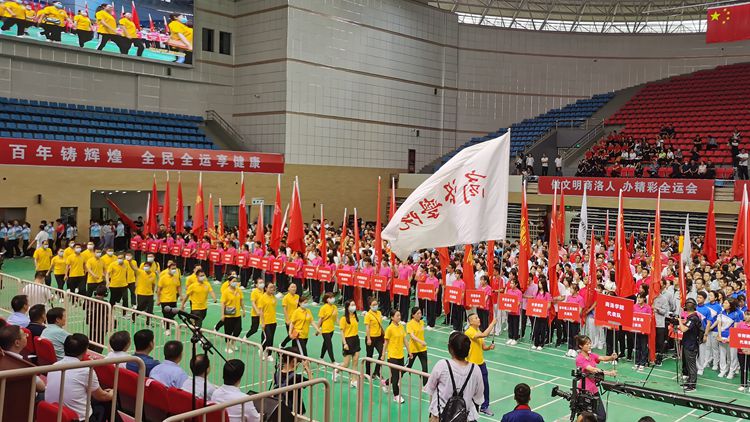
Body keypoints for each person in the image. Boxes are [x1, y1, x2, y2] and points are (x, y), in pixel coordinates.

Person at [44, 334, 114, 422]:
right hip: (78, 419)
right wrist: (113, 393)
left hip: (54, 415)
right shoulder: (85, 370)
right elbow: (102, 397)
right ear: (85, 350)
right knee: (108, 401)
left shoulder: (54, 366)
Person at [424, 332, 484, 422]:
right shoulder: (475, 369)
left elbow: (430, 388)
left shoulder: (442, 365)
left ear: (450, 348)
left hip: (439, 416)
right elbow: (478, 397)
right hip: (465, 418)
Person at [575, 335, 617, 421]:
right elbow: (593, 369)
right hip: (584, 391)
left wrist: (611, 357)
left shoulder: (591, 355)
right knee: (584, 416)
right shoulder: (579, 359)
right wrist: (609, 373)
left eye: (590, 343)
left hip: (594, 390)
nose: (590, 345)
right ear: (581, 346)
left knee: (602, 417)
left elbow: (602, 358)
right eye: (587, 344)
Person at [465, 312, 497, 416]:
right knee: (471, 386)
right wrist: (492, 324)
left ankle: (484, 406)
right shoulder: (469, 332)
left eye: (478, 317)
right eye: (476, 318)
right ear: (471, 322)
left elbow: (483, 347)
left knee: (485, 386)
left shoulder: (478, 330)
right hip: (472, 364)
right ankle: (467, 405)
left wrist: (489, 347)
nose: (478, 319)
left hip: (481, 363)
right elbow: (485, 334)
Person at [273, 346, 313, 415]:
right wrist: (308, 369)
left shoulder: (277, 374)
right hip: (296, 409)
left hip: (282, 407)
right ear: (294, 361)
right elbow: (311, 382)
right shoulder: (296, 377)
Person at [382, 309, 408, 403]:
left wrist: (409, 351)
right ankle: (396, 396)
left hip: (401, 355)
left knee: (399, 375)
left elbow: (405, 340)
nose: (399, 317)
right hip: (392, 356)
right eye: (397, 316)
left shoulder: (401, 327)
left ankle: (386, 383)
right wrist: (383, 354)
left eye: (400, 315)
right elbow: (386, 343)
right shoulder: (389, 329)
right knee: (396, 377)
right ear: (392, 317)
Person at [335, 299, 361, 388]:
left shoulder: (355, 317)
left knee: (355, 361)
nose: (354, 306)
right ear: (347, 307)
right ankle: (336, 370)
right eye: (352, 305)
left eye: (354, 304)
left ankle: (354, 380)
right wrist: (345, 343)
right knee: (346, 364)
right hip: (348, 341)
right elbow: (342, 332)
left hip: (356, 339)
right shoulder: (343, 319)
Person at [679, 298, 702, 391]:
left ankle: (692, 385)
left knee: (691, 365)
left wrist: (679, 321)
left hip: (691, 345)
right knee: (688, 365)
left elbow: (684, 329)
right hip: (688, 343)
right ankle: (689, 382)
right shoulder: (692, 317)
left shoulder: (693, 318)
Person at [156, 262, 182, 336]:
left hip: (173, 299)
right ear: (169, 269)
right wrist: (158, 299)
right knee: (167, 315)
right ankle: (167, 329)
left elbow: (178, 287)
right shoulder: (163, 278)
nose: (174, 270)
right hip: (164, 300)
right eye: (172, 268)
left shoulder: (176, 277)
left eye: (175, 269)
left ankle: (164, 320)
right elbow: (159, 290)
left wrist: (181, 295)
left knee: (173, 313)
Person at [220, 275, 244, 353]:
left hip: (237, 314)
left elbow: (241, 300)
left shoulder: (238, 290)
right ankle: (227, 347)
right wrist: (222, 314)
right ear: (229, 282)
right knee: (228, 331)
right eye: (233, 281)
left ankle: (232, 343)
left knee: (238, 329)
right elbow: (223, 303)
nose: (235, 283)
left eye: (236, 281)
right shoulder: (226, 292)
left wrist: (243, 310)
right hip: (229, 315)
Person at [364, 297, 385, 380]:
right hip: (371, 338)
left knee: (382, 353)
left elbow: (380, 324)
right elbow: (367, 328)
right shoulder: (368, 315)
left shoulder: (379, 313)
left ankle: (376, 372)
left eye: (376, 304)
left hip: (379, 338)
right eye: (373, 305)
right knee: (369, 356)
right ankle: (367, 373)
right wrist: (368, 339)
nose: (375, 306)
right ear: (370, 306)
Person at [406, 307, 429, 383]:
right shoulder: (410, 324)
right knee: (407, 367)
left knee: (425, 369)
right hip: (413, 349)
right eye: (417, 313)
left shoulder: (422, 322)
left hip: (422, 349)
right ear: (413, 315)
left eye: (420, 313)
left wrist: (422, 343)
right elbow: (412, 336)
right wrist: (421, 342)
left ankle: (425, 385)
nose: (420, 315)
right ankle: (390, 381)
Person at [258, 281, 278, 358]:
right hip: (266, 322)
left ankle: (269, 354)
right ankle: (261, 350)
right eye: (270, 287)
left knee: (271, 339)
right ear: (266, 288)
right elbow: (261, 311)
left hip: (273, 321)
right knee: (267, 338)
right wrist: (262, 322)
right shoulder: (262, 298)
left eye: (273, 287)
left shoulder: (273, 297)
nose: (272, 289)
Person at [318, 292, 338, 363]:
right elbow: (320, 319)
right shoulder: (323, 308)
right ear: (326, 299)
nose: (332, 299)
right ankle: (333, 361)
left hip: (331, 328)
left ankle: (321, 357)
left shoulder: (334, 307)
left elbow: (336, 318)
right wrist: (318, 329)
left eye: (333, 297)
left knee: (325, 344)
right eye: (330, 298)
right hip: (325, 329)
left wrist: (341, 326)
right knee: (329, 345)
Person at [279, 282, 300, 348]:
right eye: (292, 287)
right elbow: (284, 310)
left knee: (295, 335)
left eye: (295, 287)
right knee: (291, 335)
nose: (294, 288)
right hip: (289, 319)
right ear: (288, 288)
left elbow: (298, 307)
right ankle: (282, 344)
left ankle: (294, 348)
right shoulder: (286, 298)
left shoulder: (297, 296)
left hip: (296, 319)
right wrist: (287, 320)